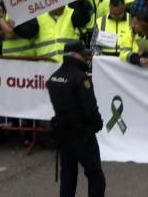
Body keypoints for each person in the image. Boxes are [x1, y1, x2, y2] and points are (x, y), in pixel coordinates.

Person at [47, 40, 106, 197]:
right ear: (74, 55)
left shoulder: (54, 77)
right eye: (84, 55)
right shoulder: (81, 79)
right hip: (82, 134)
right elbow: (90, 109)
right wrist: (97, 124)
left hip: (62, 132)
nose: (87, 58)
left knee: (68, 174)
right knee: (95, 174)